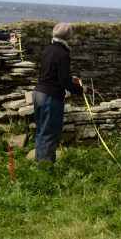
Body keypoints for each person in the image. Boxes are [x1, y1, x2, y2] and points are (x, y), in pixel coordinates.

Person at [33, 22, 87, 163]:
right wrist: (81, 90)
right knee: (50, 133)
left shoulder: (48, 49)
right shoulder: (63, 54)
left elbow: (50, 72)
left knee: (40, 131)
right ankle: (46, 169)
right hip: (50, 97)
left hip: (38, 93)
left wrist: (70, 77)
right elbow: (64, 82)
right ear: (68, 36)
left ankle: (39, 162)